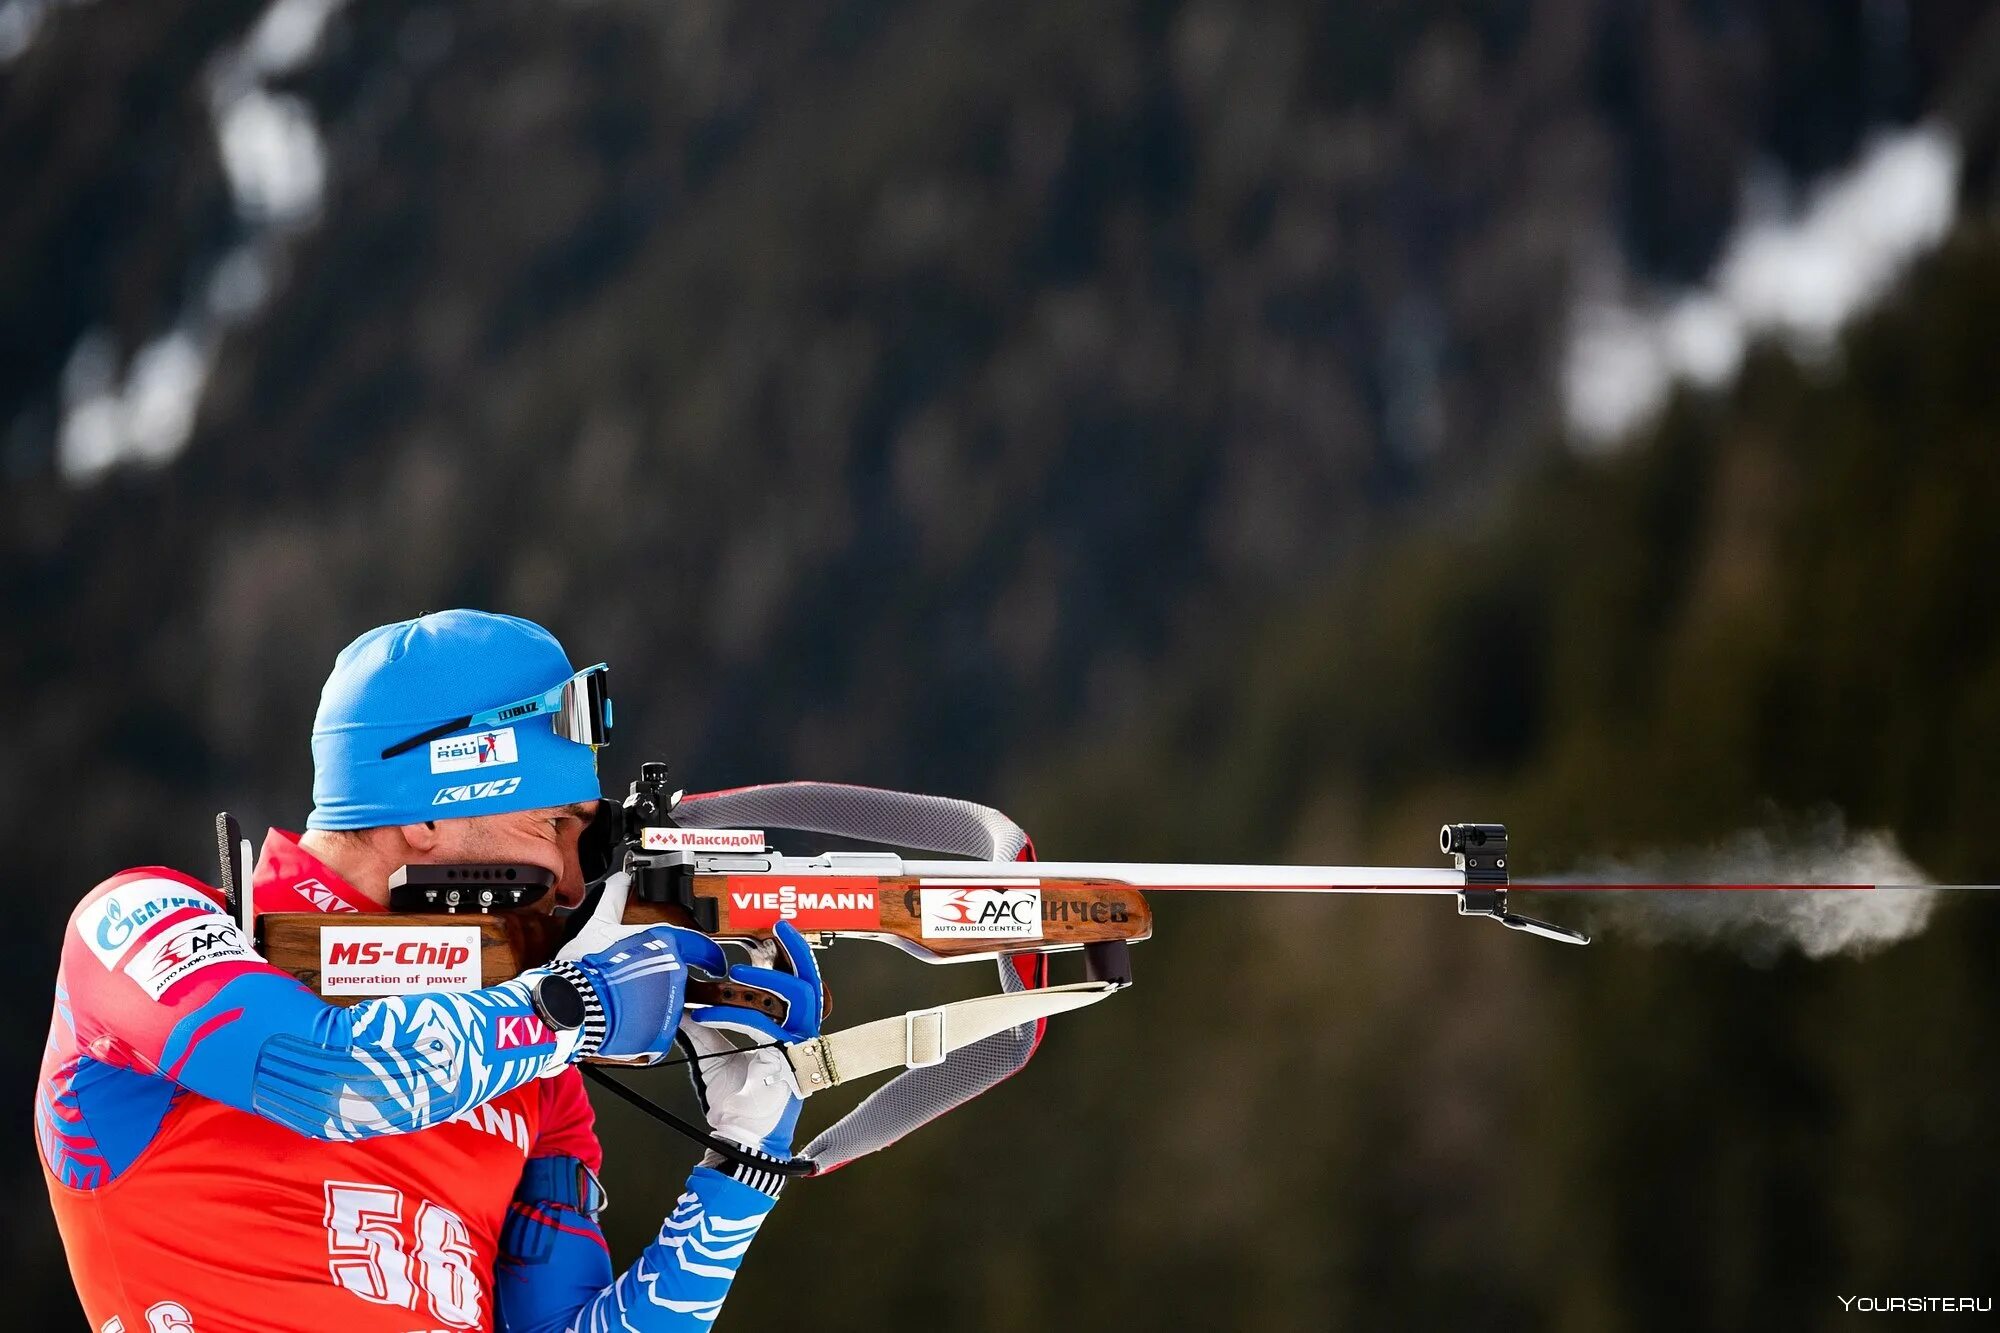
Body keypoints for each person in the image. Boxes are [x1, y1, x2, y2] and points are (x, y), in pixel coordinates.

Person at [36, 610, 819, 1332]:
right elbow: (328, 1074)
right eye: (553, 825)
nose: (576, 886)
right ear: (429, 813)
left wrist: (743, 1163)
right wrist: (573, 1004)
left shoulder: (536, 1073)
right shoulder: (138, 924)